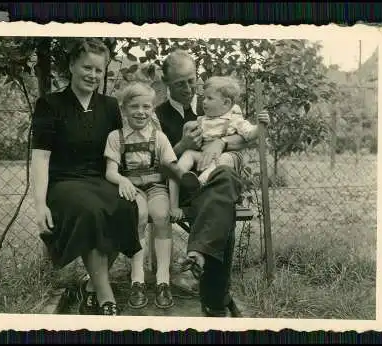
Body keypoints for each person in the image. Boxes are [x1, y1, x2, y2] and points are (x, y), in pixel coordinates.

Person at [30, 38, 141, 316]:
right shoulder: (49, 104)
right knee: (91, 212)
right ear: (71, 65)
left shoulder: (110, 106)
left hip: (100, 179)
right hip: (64, 183)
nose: (92, 75)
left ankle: (92, 285)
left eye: (98, 70)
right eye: (86, 68)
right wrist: (40, 204)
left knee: (128, 208)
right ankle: (107, 299)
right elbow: (41, 158)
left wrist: (124, 180)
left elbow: (115, 153)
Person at [155, 49, 270, 317]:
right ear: (165, 82)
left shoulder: (214, 100)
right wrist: (182, 145)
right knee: (222, 205)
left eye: (191, 80)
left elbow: (243, 136)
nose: (188, 88)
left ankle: (201, 265)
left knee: (224, 184)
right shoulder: (157, 116)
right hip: (182, 186)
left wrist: (221, 142)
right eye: (179, 83)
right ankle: (217, 299)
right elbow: (156, 163)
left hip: (216, 178)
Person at [103, 82, 198, 310]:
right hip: (132, 189)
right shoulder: (116, 137)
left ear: (152, 109)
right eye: (134, 106)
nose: (141, 111)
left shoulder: (160, 137)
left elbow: (171, 171)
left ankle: (163, 280)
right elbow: (110, 172)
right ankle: (138, 280)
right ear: (124, 109)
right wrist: (123, 180)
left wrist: (177, 199)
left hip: (156, 187)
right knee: (139, 215)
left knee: (161, 215)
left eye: (146, 106)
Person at [169, 76, 270, 215]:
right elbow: (192, 139)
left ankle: (201, 182)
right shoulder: (202, 120)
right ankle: (182, 178)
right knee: (187, 155)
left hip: (223, 158)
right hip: (204, 156)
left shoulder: (234, 120)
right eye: (204, 98)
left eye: (209, 98)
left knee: (225, 159)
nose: (204, 102)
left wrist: (261, 126)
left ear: (226, 103)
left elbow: (250, 134)